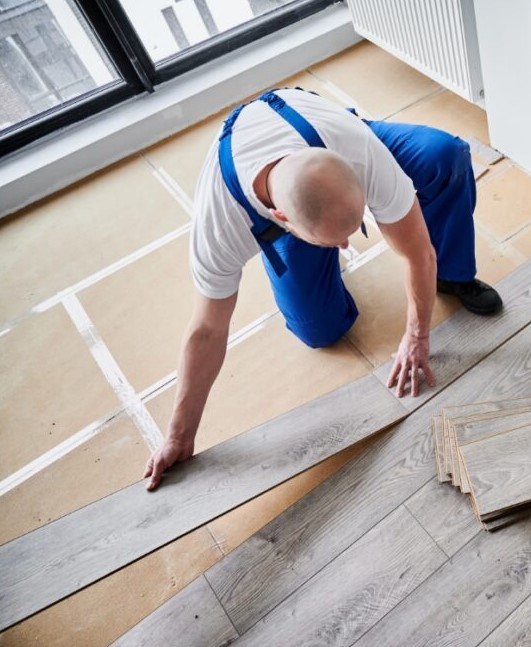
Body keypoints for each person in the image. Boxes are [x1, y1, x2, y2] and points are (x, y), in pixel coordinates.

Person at [144, 87, 502, 491]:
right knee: (320, 329)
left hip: (330, 140)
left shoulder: (358, 150)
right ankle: (303, 252)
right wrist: (178, 435)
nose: (348, 245)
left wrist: (417, 336)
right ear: (281, 217)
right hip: (275, 203)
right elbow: (207, 330)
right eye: (337, 240)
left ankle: (453, 273)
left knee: (444, 155)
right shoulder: (220, 224)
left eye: (353, 228)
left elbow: (418, 252)